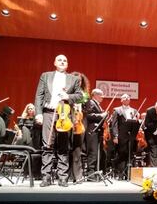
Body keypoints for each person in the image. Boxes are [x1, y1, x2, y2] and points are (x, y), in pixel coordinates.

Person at [34, 54, 82, 187]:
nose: (62, 62)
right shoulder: (45, 76)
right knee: (47, 145)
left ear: (67, 64)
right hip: (48, 112)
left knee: (63, 146)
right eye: (59, 60)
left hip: (64, 114)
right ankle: (46, 177)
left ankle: (63, 177)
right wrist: (38, 113)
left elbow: (79, 96)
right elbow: (39, 95)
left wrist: (68, 96)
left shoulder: (74, 79)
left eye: (65, 60)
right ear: (55, 62)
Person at [110, 94, 138, 180]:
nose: (127, 99)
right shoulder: (117, 110)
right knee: (121, 154)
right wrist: (115, 136)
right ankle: (120, 174)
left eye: (128, 97)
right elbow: (114, 124)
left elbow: (136, 123)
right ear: (121, 100)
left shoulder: (134, 110)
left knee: (130, 154)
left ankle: (128, 174)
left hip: (130, 136)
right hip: (121, 136)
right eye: (124, 97)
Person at [69, 72, 90, 183]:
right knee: (67, 148)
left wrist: (80, 112)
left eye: (80, 80)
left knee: (77, 149)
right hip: (66, 121)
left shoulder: (85, 95)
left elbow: (88, 109)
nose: (78, 82)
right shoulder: (67, 93)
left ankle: (77, 175)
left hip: (80, 123)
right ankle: (67, 175)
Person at [85, 88, 107, 181]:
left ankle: (96, 172)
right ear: (96, 95)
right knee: (93, 153)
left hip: (98, 132)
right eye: (101, 96)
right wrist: (101, 115)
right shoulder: (91, 102)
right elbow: (88, 115)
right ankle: (90, 174)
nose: (102, 98)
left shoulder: (98, 104)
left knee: (99, 153)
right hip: (92, 131)